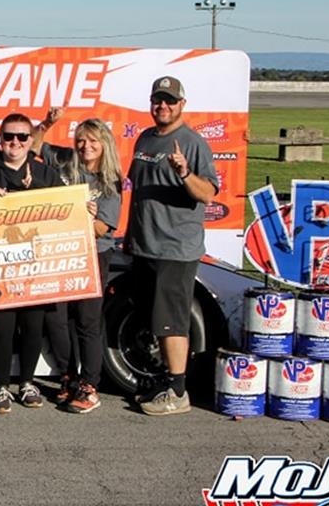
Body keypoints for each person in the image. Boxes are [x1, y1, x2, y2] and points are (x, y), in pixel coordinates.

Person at [126, 76, 218, 416]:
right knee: (152, 321)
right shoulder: (146, 138)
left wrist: (183, 172)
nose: (163, 106)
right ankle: (163, 380)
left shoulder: (192, 143)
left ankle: (178, 392)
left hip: (175, 250)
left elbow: (207, 194)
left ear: (182, 104)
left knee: (172, 322)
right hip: (145, 246)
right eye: (157, 100)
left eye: (170, 101)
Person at [0, 113, 63, 414]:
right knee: (4, 327)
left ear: (31, 141)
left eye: (22, 137)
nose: (15, 143)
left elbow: (65, 208)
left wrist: (85, 206)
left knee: (33, 325)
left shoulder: (45, 174)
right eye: (9, 136)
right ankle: (3, 386)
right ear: (0, 139)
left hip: (35, 265)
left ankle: (27, 382)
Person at [33, 111, 123, 414]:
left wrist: (85, 215)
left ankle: (90, 384)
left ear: (104, 144)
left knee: (87, 319)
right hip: (61, 251)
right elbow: (34, 147)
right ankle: (69, 376)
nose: (85, 146)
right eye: (81, 140)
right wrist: (46, 124)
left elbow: (103, 228)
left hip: (94, 252)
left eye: (93, 141)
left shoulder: (110, 180)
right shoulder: (65, 160)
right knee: (57, 317)